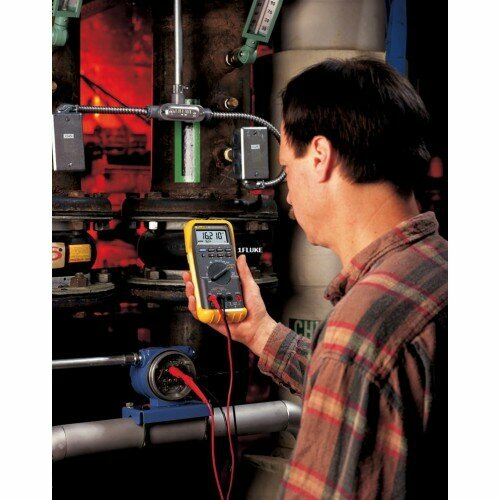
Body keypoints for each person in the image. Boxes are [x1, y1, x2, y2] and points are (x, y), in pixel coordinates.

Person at [183, 58, 447, 499]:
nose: (287, 192)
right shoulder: (440, 268)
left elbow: (357, 365)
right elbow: (374, 393)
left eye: (288, 168)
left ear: (321, 157)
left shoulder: (360, 330)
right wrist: (260, 332)